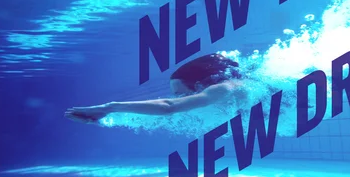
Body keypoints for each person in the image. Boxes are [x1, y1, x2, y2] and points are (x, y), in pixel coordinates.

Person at [65, 53, 246, 124]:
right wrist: (108, 119)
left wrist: (109, 107)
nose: (180, 98)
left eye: (180, 94)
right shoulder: (218, 96)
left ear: (199, 85)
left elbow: (169, 107)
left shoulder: (226, 88)